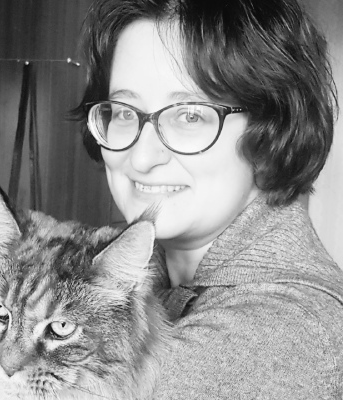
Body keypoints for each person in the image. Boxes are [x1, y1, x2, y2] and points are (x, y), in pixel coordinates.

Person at [74, 0, 343, 398]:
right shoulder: (127, 266)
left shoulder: (286, 332)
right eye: (125, 112)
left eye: (190, 115)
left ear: (271, 131)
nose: (142, 158)